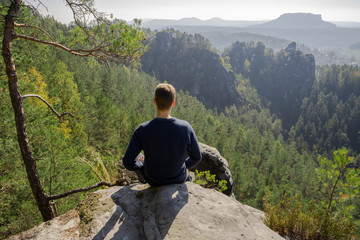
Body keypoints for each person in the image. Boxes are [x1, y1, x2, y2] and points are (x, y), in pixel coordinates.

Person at [122, 83, 201, 186]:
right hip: (178, 178)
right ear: (173, 103)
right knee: (187, 174)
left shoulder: (142, 130)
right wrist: (181, 166)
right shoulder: (185, 127)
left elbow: (127, 161)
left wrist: (141, 166)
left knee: (139, 156)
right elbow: (197, 157)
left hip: (153, 179)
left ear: (155, 101)